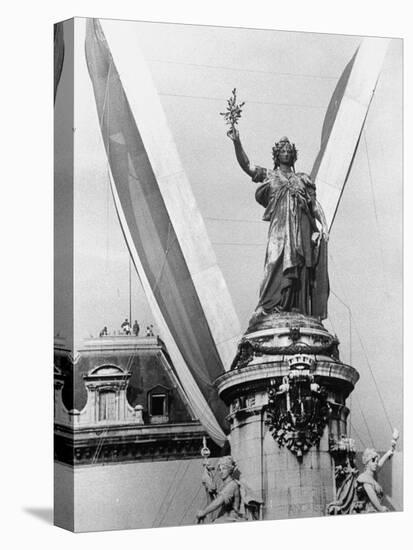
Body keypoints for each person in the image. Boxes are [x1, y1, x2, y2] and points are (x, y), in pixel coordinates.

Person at [227, 128, 329, 319]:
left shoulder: (303, 179)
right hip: (280, 229)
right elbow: (247, 166)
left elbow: (314, 206)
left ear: (294, 155)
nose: (286, 153)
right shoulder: (270, 176)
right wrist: (237, 142)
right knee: (274, 262)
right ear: (276, 155)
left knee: (300, 267)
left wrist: (324, 225)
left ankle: (295, 308)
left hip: (301, 230)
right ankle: (268, 306)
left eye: (290, 151)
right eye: (283, 150)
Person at [196, 456, 243, 523]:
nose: (221, 472)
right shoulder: (224, 485)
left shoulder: (232, 485)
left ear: (230, 470)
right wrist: (208, 472)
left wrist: (204, 512)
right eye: (219, 469)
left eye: (224, 469)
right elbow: (214, 490)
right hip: (223, 518)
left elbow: (218, 501)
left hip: (230, 519)